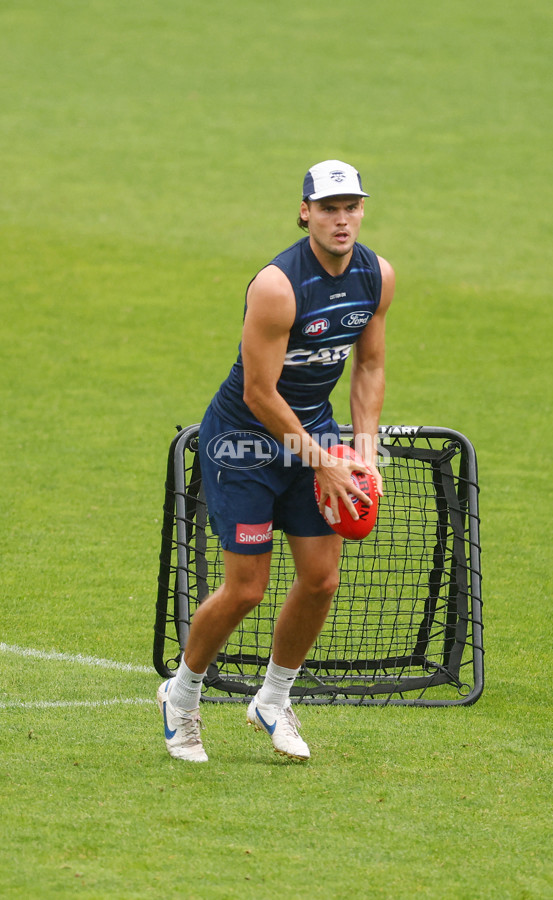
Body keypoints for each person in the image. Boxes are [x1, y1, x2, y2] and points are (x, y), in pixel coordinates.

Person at [157, 159, 395, 762]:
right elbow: (261, 395)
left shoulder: (377, 276)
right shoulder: (277, 286)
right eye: (329, 208)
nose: (342, 220)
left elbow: (368, 365)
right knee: (246, 590)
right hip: (243, 443)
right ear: (305, 212)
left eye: (352, 207)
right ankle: (181, 697)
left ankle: (272, 699)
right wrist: (323, 460)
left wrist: (361, 451)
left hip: (312, 440)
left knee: (321, 579)